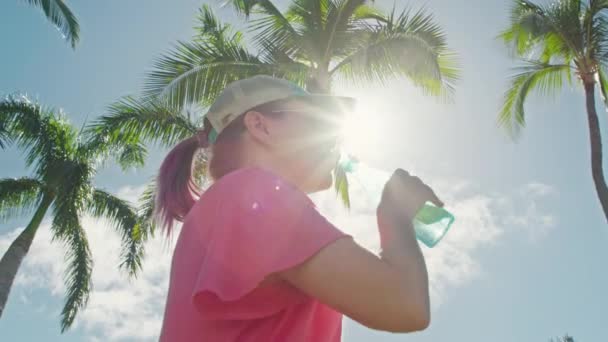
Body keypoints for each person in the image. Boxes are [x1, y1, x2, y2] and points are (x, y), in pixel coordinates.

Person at [157, 76, 444, 341]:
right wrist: (394, 214)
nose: (333, 135)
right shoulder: (252, 193)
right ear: (260, 126)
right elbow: (405, 304)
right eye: (315, 121)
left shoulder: (227, 204)